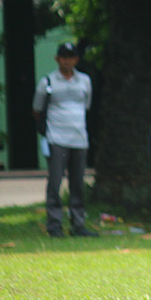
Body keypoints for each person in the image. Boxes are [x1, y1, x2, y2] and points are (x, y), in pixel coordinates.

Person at [32, 42, 98, 238]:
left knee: (77, 184)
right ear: (57, 59)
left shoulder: (85, 81)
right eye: (64, 57)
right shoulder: (48, 82)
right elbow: (36, 110)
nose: (67, 61)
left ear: (76, 59)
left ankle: (78, 225)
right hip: (57, 139)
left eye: (71, 57)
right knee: (55, 182)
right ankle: (54, 226)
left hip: (79, 139)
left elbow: (86, 106)